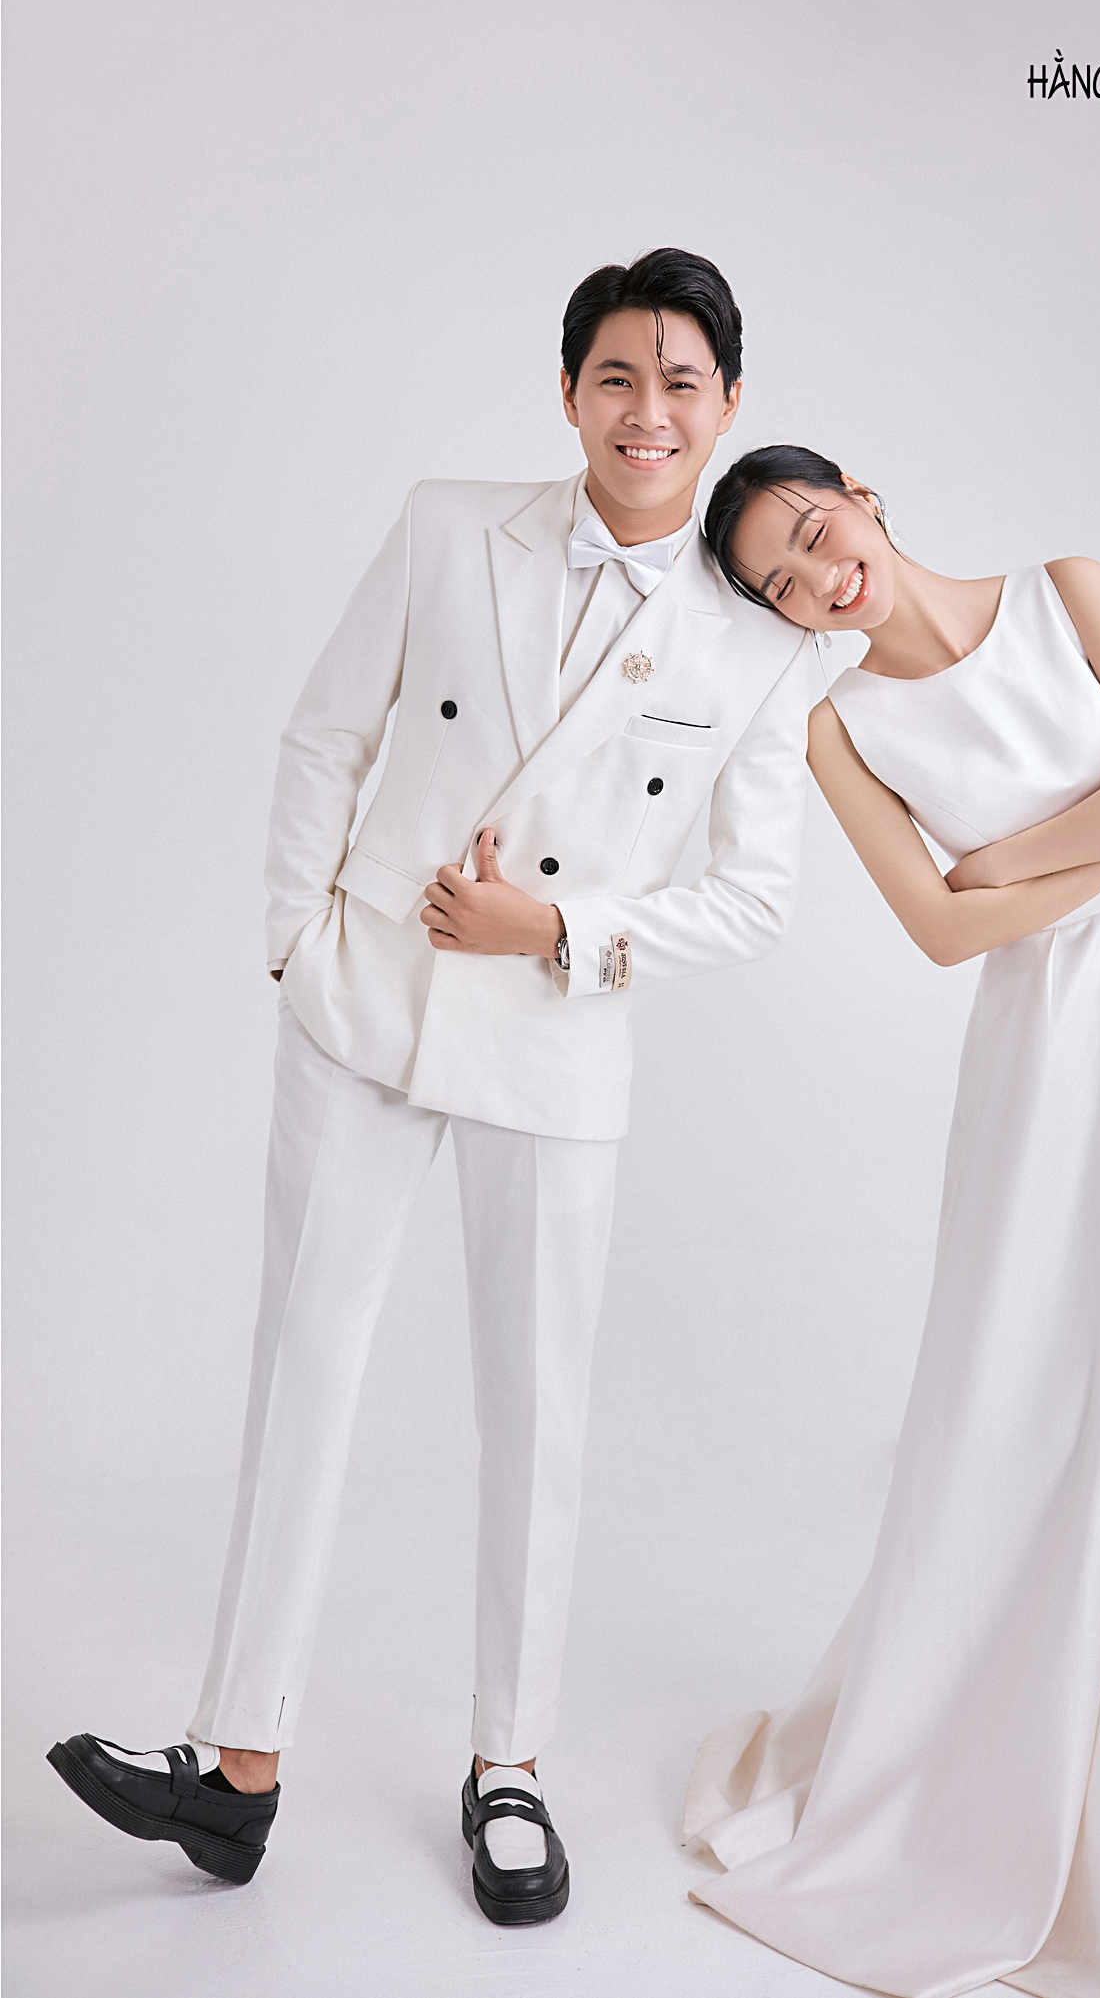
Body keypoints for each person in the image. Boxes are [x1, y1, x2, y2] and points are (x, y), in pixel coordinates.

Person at [48, 253, 818, 1925]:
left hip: (555, 1034)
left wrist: (564, 930)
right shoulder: (448, 524)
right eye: (617, 376)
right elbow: (326, 732)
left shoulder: (756, 643)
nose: (648, 410)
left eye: (682, 381)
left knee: (536, 1413)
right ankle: (237, 1761)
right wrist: (294, 947)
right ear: (570, 392)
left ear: (728, 407)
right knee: (300, 1365)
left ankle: (510, 1762)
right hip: (370, 1001)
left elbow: (756, 898)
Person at [682, 446, 1100, 1997]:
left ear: (862, 494)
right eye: (785, 584)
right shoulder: (840, 728)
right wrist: (1096, 822)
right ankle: (1004, 1739)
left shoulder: (1069, 590)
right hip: (1049, 1041)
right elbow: (935, 930)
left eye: (814, 533)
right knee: (1037, 1376)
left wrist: (1004, 857)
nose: (821, 578)